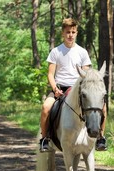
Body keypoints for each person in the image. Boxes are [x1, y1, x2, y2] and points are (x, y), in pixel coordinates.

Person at [39, 18, 107, 152]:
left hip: (77, 89)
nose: (70, 35)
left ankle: (100, 137)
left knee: (103, 108)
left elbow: (86, 74)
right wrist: (55, 89)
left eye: (73, 32)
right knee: (46, 107)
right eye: (68, 32)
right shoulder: (56, 52)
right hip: (60, 88)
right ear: (63, 34)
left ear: (76, 33)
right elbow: (50, 74)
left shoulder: (82, 52)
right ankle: (44, 139)